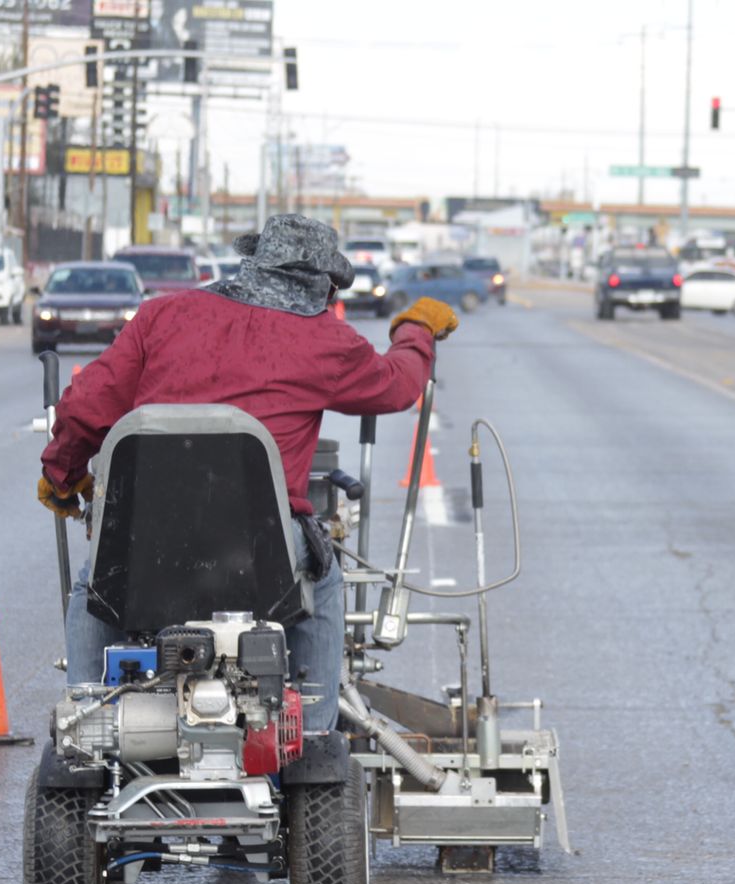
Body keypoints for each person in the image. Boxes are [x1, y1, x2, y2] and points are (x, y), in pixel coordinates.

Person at [37, 213, 458, 731]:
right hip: (260, 555)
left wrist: (63, 474)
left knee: (94, 585)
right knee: (323, 584)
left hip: (148, 541)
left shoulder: (161, 316)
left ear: (255, 261)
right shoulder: (324, 339)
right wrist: (414, 331)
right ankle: (316, 735)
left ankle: (84, 723)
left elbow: (86, 405)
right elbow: (397, 385)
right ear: (322, 285)